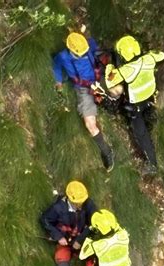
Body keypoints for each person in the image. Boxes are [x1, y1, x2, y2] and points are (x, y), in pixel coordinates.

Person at [53, 32, 114, 172]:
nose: (82, 54)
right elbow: (56, 65)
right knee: (90, 125)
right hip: (84, 89)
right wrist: (58, 80)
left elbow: (98, 53)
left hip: (99, 80)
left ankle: (118, 106)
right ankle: (106, 151)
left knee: (116, 91)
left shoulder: (89, 44)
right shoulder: (63, 56)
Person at [105, 35, 164, 176]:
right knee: (152, 119)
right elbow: (162, 54)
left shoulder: (127, 70)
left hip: (136, 105)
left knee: (141, 134)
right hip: (150, 97)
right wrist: (148, 54)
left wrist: (110, 64)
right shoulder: (149, 58)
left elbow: (109, 81)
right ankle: (160, 137)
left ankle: (152, 164)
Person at [40, 180, 96, 266]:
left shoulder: (87, 203)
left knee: (92, 262)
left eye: (82, 201)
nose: (81, 204)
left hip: (82, 240)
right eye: (79, 202)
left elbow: (94, 222)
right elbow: (45, 220)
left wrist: (80, 239)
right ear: (70, 199)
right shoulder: (58, 208)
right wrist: (58, 236)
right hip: (66, 241)